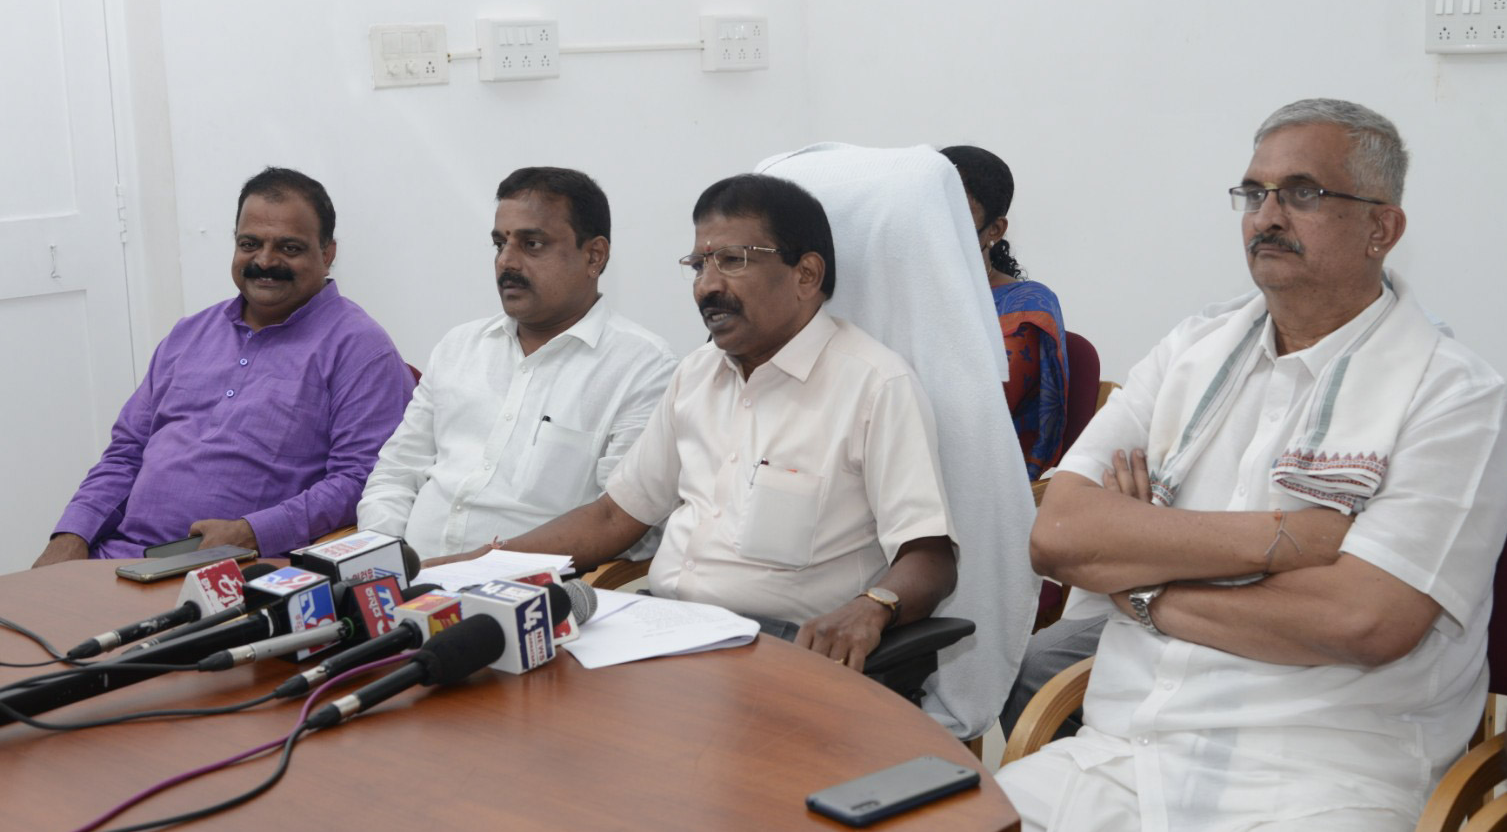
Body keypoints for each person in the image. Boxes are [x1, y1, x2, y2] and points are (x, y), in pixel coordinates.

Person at [996, 99, 1507, 830]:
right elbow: (1056, 535)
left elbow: (1364, 620)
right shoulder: (1191, 351)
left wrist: (1140, 585)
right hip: (1123, 756)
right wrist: (1290, 539)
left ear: (1381, 229)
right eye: (1253, 192)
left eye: (1302, 192)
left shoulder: (1454, 396)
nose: (1266, 215)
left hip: (1323, 781)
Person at [429, 174, 959, 670]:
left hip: (782, 648)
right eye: (699, 265)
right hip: (662, 628)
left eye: (731, 260)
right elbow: (614, 517)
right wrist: (471, 567)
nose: (707, 286)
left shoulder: (874, 385)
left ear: (806, 275)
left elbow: (929, 556)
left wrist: (873, 606)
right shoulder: (697, 373)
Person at [35, 168, 415, 564]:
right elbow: (125, 453)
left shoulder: (360, 349)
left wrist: (251, 533)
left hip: (240, 570)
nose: (264, 260)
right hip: (117, 559)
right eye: (250, 243)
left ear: (327, 254)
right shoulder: (189, 334)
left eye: (289, 248)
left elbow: (362, 480)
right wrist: (71, 534)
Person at [356, 168, 677, 560]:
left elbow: (622, 522)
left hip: (529, 589)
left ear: (594, 255)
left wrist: (465, 568)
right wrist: (379, 559)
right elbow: (396, 472)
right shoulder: (460, 346)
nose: (506, 261)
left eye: (532, 244)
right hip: (404, 578)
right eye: (499, 244)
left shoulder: (642, 368)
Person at [941, 145, 1068, 480]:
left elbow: (977, 412)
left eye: (957, 213)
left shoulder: (1027, 305)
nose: (937, 224)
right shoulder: (902, 290)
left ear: (994, 230)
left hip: (978, 477)